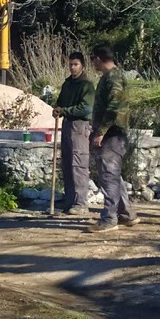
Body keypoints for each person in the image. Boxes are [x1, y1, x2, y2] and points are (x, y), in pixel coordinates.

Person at [89, 44, 139, 232]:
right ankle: (126, 215)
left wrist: (101, 131)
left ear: (100, 59)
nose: (92, 63)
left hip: (112, 133)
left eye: (93, 58)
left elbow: (113, 108)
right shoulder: (108, 78)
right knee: (113, 175)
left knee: (108, 175)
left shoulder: (115, 79)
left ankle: (109, 219)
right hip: (110, 132)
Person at [52, 52, 95, 215]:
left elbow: (87, 108)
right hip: (67, 124)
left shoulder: (86, 85)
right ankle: (70, 200)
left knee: (79, 163)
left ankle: (81, 202)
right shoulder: (68, 83)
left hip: (80, 125)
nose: (72, 67)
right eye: (70, 64)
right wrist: (57, 110)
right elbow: (61, 102)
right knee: (67, 163)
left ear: (82, 65)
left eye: (75, 64)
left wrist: (65, 110)